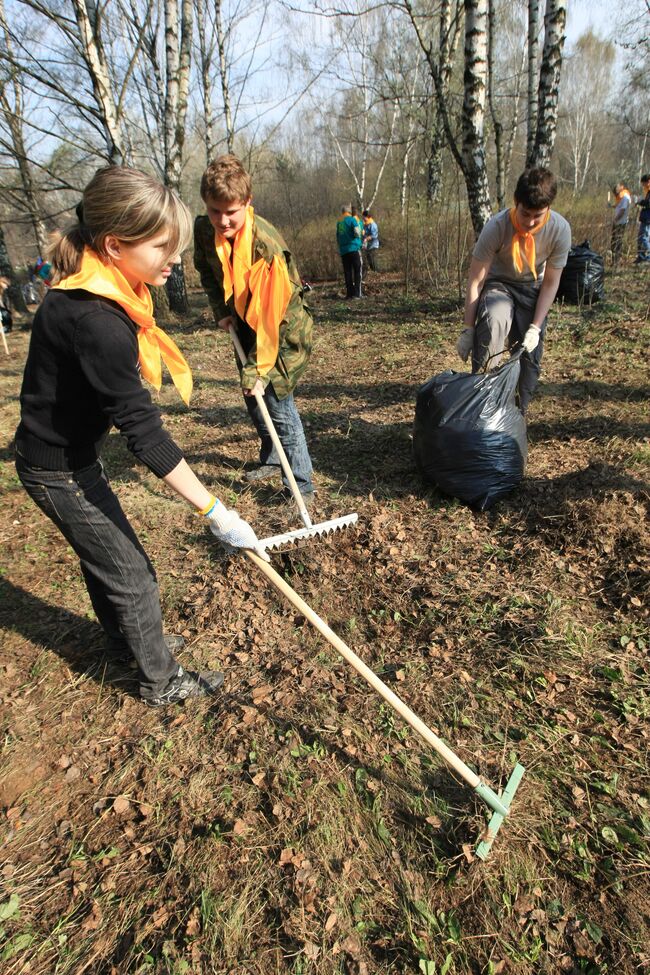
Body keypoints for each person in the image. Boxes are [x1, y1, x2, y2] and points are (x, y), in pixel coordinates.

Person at [14, 166, 269, 709]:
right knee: (133, 574)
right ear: (114, 245)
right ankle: (159, 678)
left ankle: (130, 641)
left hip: (71, 459)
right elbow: (142, 432)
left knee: (109, 559)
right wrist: (215, 512)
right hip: (56, 468)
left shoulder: (101, 287)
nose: (173, 259)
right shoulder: (95, 319)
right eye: (161, 247)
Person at [193, 154, 315, 501]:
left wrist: (259, 372)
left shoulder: (267, 250)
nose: (223, 220)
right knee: (252, 398)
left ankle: (302, 486)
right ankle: (273, 459)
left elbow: (272, 322)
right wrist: (222, 309)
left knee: (276, 402)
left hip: (282, 329)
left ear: (248, 203)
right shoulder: (205, 230)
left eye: (231, 212)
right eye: (215, 211)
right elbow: (205, 268)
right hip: (243, 317)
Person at [456, 167, 571, 416]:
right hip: (500, 284)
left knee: (529, 357)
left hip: (534, 288)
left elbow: (551, 283)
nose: (530, 222)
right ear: (516, 202)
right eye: (525, 213)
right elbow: (476, 280)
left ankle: (516, 414)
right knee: (494, 321)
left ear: (548, 209)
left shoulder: (560, 230)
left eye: (537, 216)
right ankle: (483, 403)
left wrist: (535, 327)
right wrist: (468, 329)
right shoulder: (496, 227)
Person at [336, 204, 363, 298]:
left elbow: (338, 237)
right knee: (357, 270)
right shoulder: (352, 220)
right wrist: (358, 237)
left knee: (347, 272)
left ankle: (349, 294)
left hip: (344, 250)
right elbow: (357, 232)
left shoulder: (339, 223)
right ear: (349, 212)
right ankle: (357, 294)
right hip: (353, 248)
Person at [608, 182, 631, 265]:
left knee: (617, 242)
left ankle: (616, 262)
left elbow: (622, 210)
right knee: (613, 242)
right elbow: (619, 207)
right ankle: (614, 261)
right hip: (617, 222)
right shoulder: (621, 197)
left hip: (620, 223)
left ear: (621, 188)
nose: (616, 194)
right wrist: (611, 206)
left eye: (616, 192)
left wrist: (615, 220)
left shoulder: (625, 197)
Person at [633, 173, 650, 265]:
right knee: (641, 238)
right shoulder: (648, 192)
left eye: (644, 184)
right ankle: (641, 256)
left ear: (648, 182)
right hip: (645, 218)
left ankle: (647, 257)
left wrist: (640, 201)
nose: (643, 186)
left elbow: (648, 203)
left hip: (648, 219)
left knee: (644, 238)